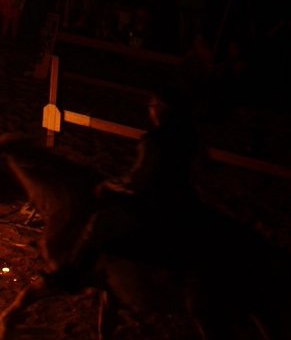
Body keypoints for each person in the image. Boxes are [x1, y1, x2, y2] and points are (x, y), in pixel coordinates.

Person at [48, 87, 203, 288]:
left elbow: (135, 180)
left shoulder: (154, 140)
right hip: (184, 199)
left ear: (162, 109)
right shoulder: (189, 136)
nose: (150, 110)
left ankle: (71, 274)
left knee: (98, 221)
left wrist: (108, 185)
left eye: (152, 105)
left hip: (156, 202)